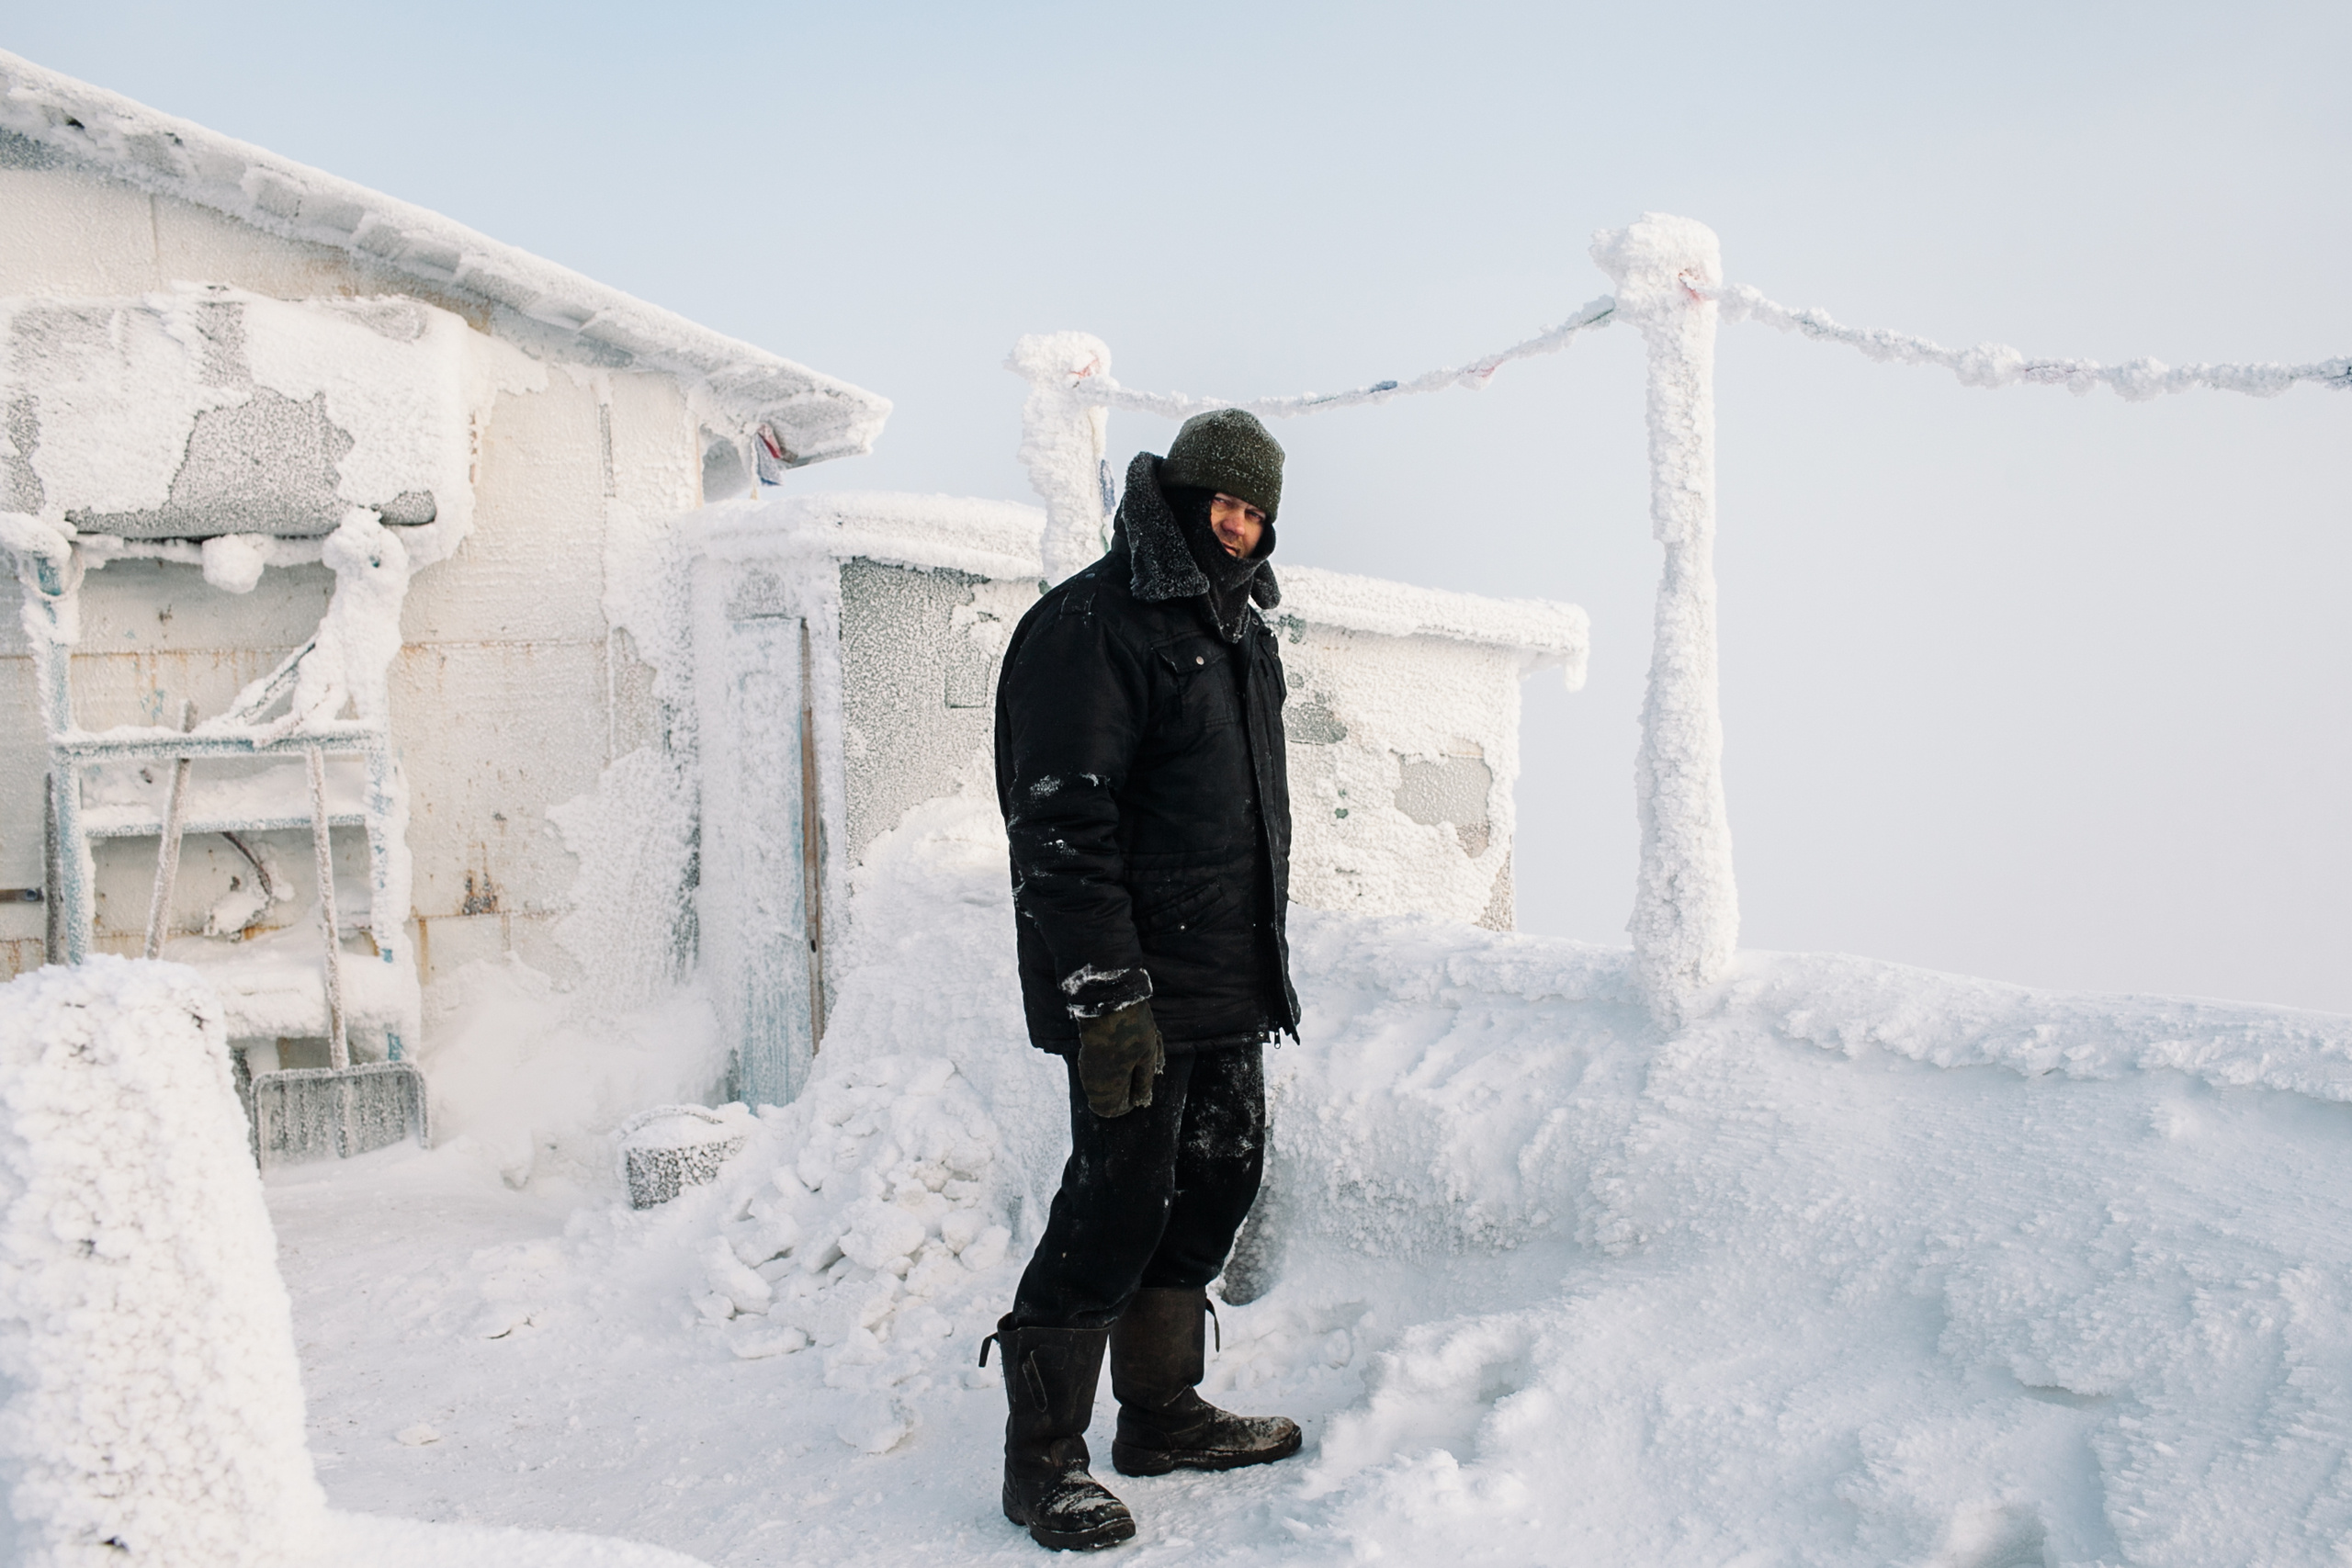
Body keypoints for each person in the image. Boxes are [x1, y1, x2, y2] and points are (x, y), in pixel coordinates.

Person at [983, 408, 1305, 1551]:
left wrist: (1264, 969)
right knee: (1114, 1204)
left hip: (1224, 978)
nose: (1237, 523)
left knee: (1216, 1180)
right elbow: (1062, 829)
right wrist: (1103, 999)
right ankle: (1040, 1463)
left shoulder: (1237, 631)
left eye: (1254, 508)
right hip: (1129, 992)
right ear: (1170, 497)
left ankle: (1159, 1414)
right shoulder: (1090, 624)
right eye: (1218, 500)